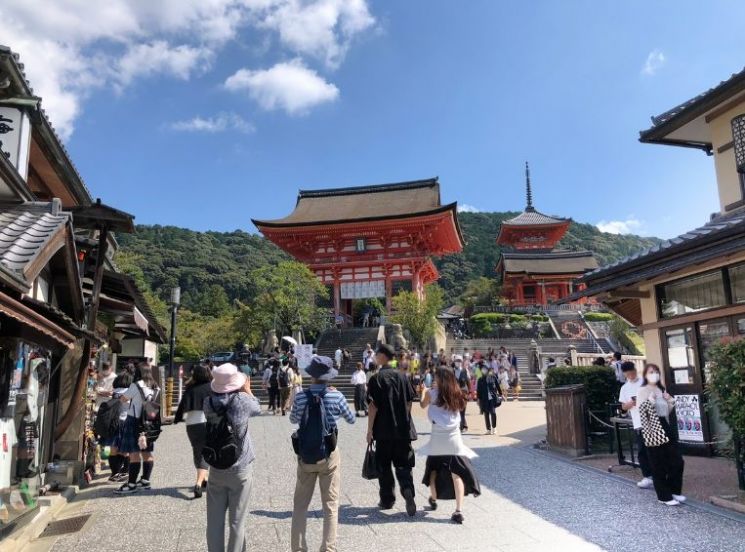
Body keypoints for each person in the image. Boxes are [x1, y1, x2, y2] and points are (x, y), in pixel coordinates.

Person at [290, 356, 355, 552]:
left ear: (311, 375)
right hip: (329, 454)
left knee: (300, 506)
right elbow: (351, 419)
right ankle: (328, 548)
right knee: (331, 505)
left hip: (306, 455)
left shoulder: (301, 397)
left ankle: (299, 548)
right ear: (329, 377)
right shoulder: (336, 396)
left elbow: (293, 419)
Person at [204, 363, 261, 551]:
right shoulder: (242, 401)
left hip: (216, 465)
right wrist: (247, 390)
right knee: (237, 521)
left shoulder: (208, 402)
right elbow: (257, 408)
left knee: (214, 522)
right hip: (240, 466)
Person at [418, 368, 481, 523]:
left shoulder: (431, 394)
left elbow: (421, 405)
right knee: (457, 473)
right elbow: (459, 409)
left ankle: (433, 499)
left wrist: (423, 390)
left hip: (438, 436)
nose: (434, 379)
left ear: (440, 379)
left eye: (436, 377)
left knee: (433, 469)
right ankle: (458, 511)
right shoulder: (457, 393)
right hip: (454, 437)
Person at [367, 344, 417, 516]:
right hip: (403, 430)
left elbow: (373, 406)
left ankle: (387, 499)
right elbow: (410, 402)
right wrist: (404, 417)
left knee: (384, 466)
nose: (375, 357)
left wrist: (369, 431)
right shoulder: (403, 377)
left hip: (383, 430)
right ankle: (408, 490)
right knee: (404, 464)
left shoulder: (376, 379)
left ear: (382, 356)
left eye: (376, 354)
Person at [638, 364, 685, 507]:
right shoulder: (642, 390)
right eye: (651, 372)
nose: (655, 374)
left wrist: (670, 401)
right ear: (645, 375)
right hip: (652, 428)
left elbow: (665, 411)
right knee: (657, 463)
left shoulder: (661, 389)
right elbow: (643, 412)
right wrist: (650, 400)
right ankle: (664, 496)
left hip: (664, 424)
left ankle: (674, 490)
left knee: (677, 461)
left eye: (657, 372)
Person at [114, 363, 159, 495]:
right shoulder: (156, 386)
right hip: (149, 423)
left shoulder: (136, 385)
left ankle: (132, 484)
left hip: (134, 421)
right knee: (147, 452)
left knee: (134, 453)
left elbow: (123, 399)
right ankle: (145, 481)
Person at [174, 363, 212, 498]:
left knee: (197, 450)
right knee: (205, 452)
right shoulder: (211, 388)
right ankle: (198, 483)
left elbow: (182, 405)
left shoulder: (190, 387)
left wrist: (177, 418)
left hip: (191, 424)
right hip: (206, 422)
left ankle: (205, 479)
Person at [618, 361, 653, 490]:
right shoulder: (625, 388)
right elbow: (623, 407)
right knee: (642, 451)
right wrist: (631, 403)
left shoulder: (645, 381)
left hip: (652, 419)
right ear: (624, 374)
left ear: (635, 370)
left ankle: (660, 474)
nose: (631, 376)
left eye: (632, 373)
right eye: (628, 374)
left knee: (654, 449)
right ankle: (647, 476)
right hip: (638, 421)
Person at [103, 371, 132, 482]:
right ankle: (125, 471)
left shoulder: (113, 392)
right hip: (126, 422)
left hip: (112, 423)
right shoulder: (131, 392)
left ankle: (115, 473)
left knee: (112, 450)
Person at [476, 365, 503, 435]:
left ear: (487, 370)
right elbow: (478, 390)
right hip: (484, 399)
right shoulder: (480, 379)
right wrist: (478, 399)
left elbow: (497, 386)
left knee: (493, 413)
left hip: (492, 398)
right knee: (486, 414)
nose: (483, 371)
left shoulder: (493, 377)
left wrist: (501, 394)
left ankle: (494, 428)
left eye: (485, 369)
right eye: (482, 370)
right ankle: (488, 429)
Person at [453, 356, 469, 432]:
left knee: (462, 409)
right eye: (457, 361)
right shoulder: (452, 371)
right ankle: (462, 426)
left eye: (460, 361)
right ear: (454, 361)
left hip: (463, 393)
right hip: (455, 393)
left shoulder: (465, 370)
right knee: (457, 410)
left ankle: (463, 426)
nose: (458, 362)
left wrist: (469, 392)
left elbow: (468, 382)